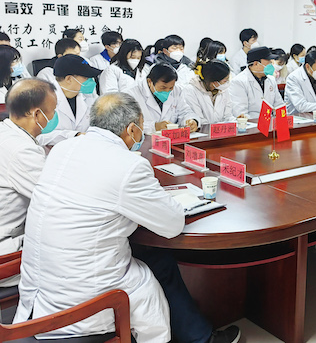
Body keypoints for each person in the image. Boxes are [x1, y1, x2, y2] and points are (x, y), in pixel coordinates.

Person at [14, 93, 240, 343]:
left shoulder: (63, 149)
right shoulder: (128, 165)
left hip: (41, 281)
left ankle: (198, 336)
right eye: (141, 127)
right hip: (84, 293)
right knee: (157, 264)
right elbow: (173, 224)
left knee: (155, 258)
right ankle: (195, 338)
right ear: (132, 129)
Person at [0, 79, 57, 287]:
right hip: (7, 253)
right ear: (37, 114)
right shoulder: (21, 151)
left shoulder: (6, 132)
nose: (54, 116)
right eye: (53, 111)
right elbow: (56, 198)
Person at [38, 54, 101, 146]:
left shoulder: (89, 95)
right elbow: (38, 137)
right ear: (69, 79)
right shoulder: (42, 99)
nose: (91, 81)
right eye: (86, 78)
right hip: (54, 152)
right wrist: (74, 135)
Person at [126, 63, 199, 134]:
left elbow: (185, 112)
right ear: (150, 82)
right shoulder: (131, 94)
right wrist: (154, 126)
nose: (167, 91)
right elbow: (128, 125)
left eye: (170, 88)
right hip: (143, 139)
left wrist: (191, 120)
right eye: (163, 87)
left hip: (170, 138)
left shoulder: (176, 91)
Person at [230, 46, 285, 119]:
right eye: (268, 61)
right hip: (252, 123)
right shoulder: (239, 82)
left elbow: (279, 105)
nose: (271, 64)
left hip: (271, 122)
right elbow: (241, 113)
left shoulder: (271, 79)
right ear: (256, 64)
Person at [183, 60, 234, 125]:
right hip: (202, 130)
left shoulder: (222, 90)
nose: (227, 82)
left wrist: (238, 121)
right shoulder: (191, 91)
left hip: (221, 130)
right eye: (225, 80)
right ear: (214, 82)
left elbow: (228, 116)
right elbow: (198, 119)